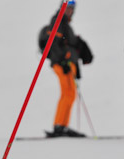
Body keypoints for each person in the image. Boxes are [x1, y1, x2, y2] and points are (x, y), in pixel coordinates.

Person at [42, 0, 93, 138]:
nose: (70, 11)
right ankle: (59, 125)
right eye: (68, 8)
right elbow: (54, 43)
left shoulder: (65, 24)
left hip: (68, 64)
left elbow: (68, 44)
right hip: (62, 64)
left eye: (72, 8)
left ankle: (62, 125)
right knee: (68, 93)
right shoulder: (58, 21)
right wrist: (63, 60)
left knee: (69, 93)